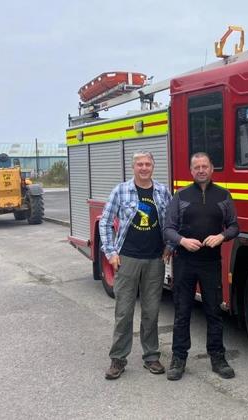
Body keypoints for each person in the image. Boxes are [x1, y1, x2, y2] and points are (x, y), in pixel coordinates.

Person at [163, 152, 239, 380]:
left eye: (204, 166)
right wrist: (182, 241)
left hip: (211, 263)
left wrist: (222, 236)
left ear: (212, 168)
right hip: (185, 263)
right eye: (196, 167)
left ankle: (217, 357)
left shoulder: (224, 196)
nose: (201, 170)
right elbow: (168, 228)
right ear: (191, 171)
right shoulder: (181, 196)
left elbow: (235, 226)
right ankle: (178, 359)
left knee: (214, 312)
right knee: (182, 311)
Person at [99, 151, 172, 380]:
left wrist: (169, 246)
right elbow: (105, 221)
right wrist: (110, 252)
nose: (144, 168)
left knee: (151, 312)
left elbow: (170, 222)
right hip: (127, 258)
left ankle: (151, 357)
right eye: (139, 164)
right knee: (124, 312)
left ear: (153, 167)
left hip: (154, 260)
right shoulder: (120, 190)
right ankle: (118, 359)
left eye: (147, 164)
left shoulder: (162, 191)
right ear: (133, 167)